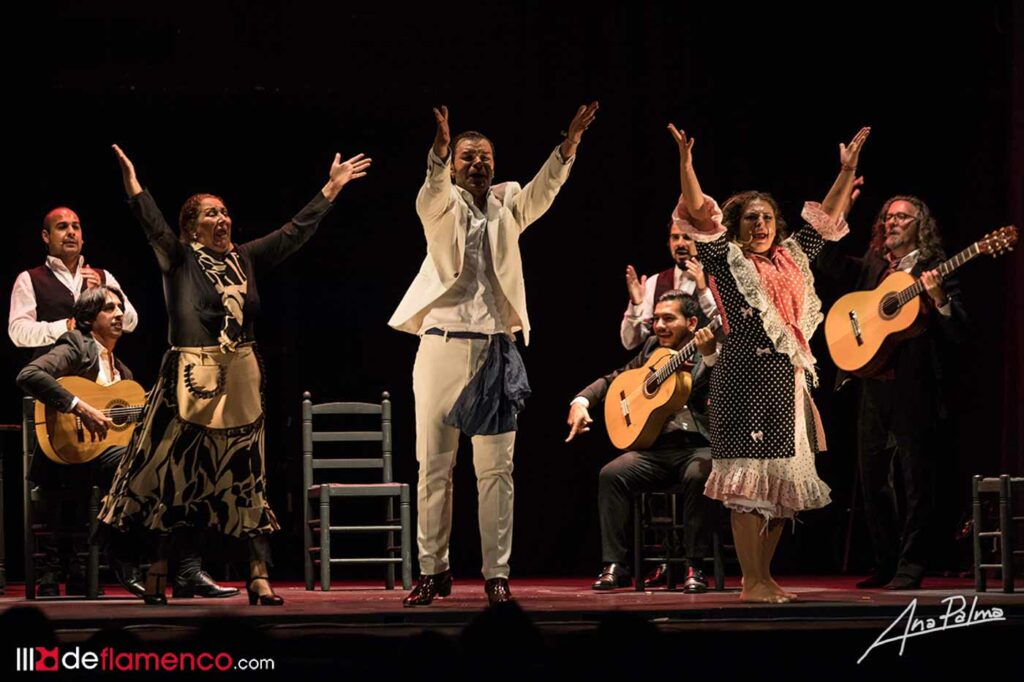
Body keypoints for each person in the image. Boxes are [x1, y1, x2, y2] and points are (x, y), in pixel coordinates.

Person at [100, 143, 371, 605]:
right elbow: (151, 226)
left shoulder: (244, 259)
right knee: (175, 478)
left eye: (225, 212)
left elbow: (293, 232)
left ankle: (259, 574)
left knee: (247, 478)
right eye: (210, 214)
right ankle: (161, 571)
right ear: (190, 228)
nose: (222, 219)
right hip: (191, 381)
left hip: (241, 379)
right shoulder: (179, 259)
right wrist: (134, 185)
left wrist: (330, 188)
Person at [390, 102, 599, 606]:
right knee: (434, 466)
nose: (478, 164)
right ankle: (432, 570)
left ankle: (496, 574)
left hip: (494, 352)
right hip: (441, 345)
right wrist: (439, 152)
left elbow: (543, 191)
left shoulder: (507, 208)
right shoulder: (438, 207)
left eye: (485, 157)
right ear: (455, 165)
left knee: (496, 470)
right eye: (468, 157)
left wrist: (567, 146)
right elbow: (433, 186)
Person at [670, 122, 871, 603]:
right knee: (747, 487)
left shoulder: (793, 258)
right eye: (749, 220)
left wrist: (845, 172)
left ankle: (763, 576)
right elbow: (699, 210)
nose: (759, 226)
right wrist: (686, 166)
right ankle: (751, 581)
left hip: (789, 383)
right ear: (737, 228)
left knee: (783, 491)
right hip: (744, 383)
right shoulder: (726, 260)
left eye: (766, 219)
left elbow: (825, 218)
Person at [816, 195, 966, 590]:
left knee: (916, 479)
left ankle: (912, 564)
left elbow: (959, 333)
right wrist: (839, 213)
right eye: (888, 217)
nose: (893, 222)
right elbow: (827, 264)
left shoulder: (935, 268)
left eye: (903, 217)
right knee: (873, 479)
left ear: (921, 225)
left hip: (915, 388)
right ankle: (884, 561)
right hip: (873, 386)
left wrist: (939, 299)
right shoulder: (874, 265)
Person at [567, 291, 719, 592]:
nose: (659, 326)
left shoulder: (707, 349)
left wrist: (712, 357)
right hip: (655, 451)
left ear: (691, 322)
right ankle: (615, 565)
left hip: (697, 448)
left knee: (699, 474)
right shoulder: (651, 348)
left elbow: (728, 390)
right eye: (656, 319)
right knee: (612, 473)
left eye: (668, 319)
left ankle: (695, 566)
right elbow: (614, 380)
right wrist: (581, 401)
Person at [17, 286, 145, 597]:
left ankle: (162, 560)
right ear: (88, 319)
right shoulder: (76, 344)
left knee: (151, 458)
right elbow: (29, 374)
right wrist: (79, 406)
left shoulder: (123, 372)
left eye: (120, 308)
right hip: (66, 461)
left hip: (101, 462)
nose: (118, 314)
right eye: (109, 309)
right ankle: (123, 553)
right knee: (136, 461)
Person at [9, 207, 138, 354]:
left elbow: (131, 322)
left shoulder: (103, 277)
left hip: (99, 372)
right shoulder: (29, 279)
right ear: (46, 236)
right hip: (53, 372)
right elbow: (18, 332)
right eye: (62, 227)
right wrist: (67, 326)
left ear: (82, 238)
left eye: (76, 227)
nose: (71, 232)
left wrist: (103, 295)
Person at [621, 222, 717, 350]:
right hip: (663, 365)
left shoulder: (716, 278)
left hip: (705, 365)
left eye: (687, 237)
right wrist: (636, 305)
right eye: (675, 237)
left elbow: (726, 327)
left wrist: (703, 290)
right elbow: (630, 342)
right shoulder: (655, 282)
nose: (680, 244)